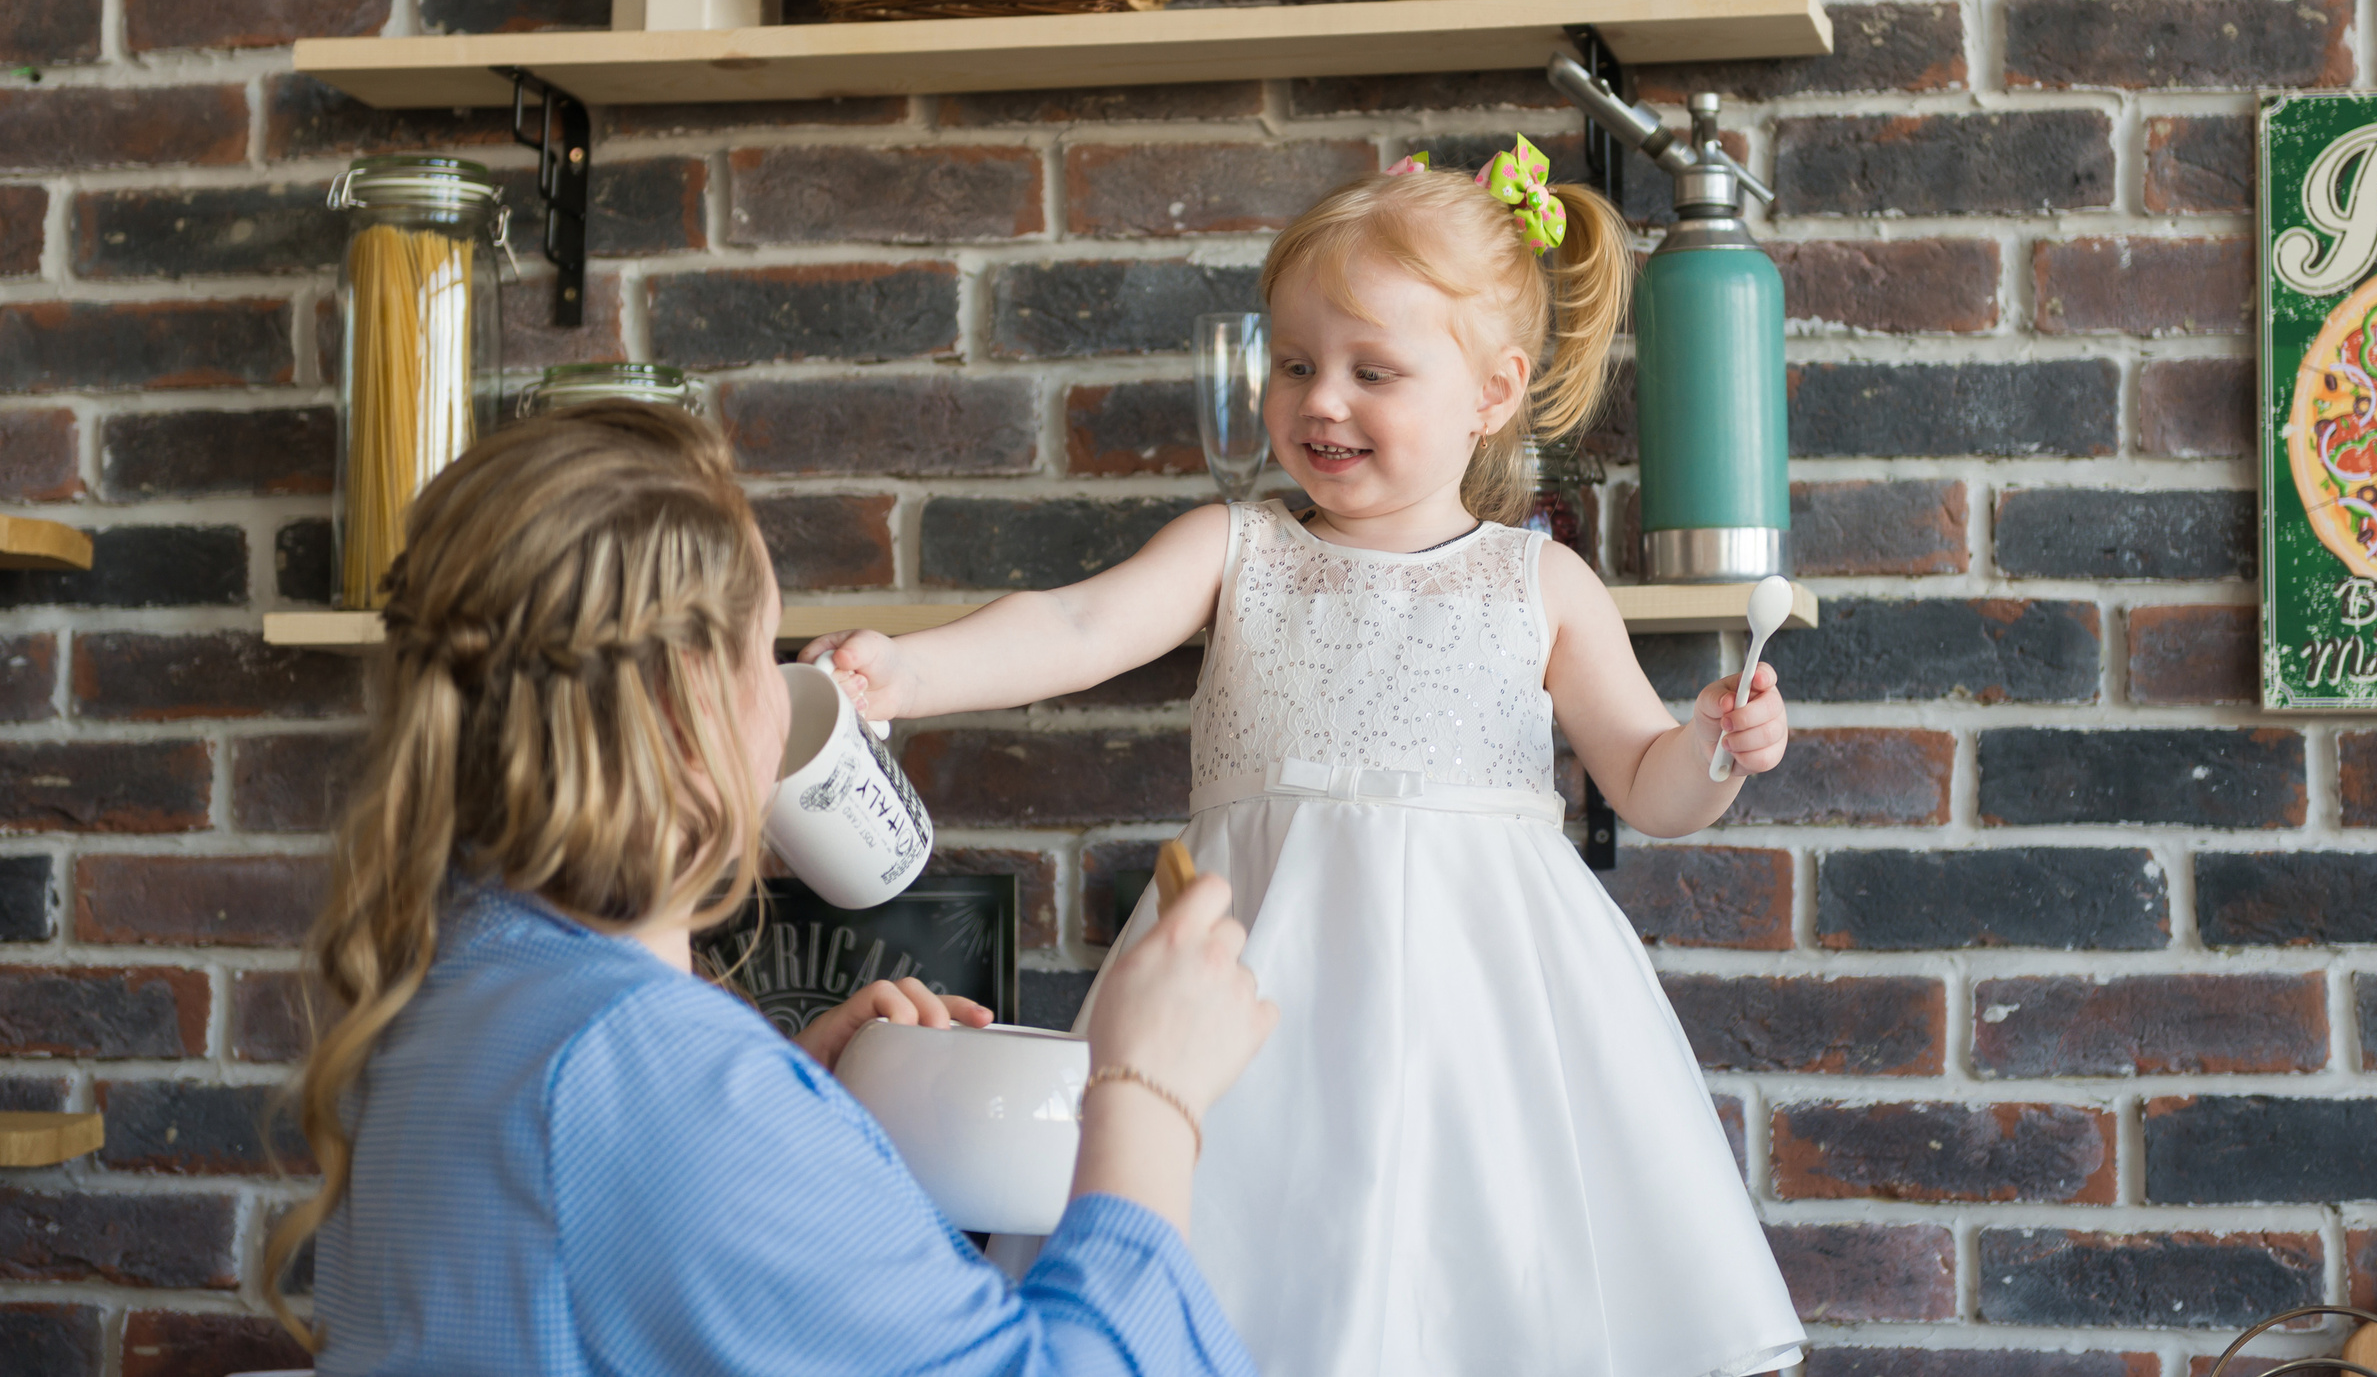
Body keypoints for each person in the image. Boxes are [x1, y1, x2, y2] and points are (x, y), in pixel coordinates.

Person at [807, 143, 1807, 1377]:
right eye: (1293, 363)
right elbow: (1071, 625)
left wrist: (1717, 744)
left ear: (1491, 390)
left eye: (1370, 370)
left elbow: (1649, 781)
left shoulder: (1540, 582)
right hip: (1251, 1009)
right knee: (1261, 1281)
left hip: (1483, 1025)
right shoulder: (1236, 549)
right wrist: (905, 672)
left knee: (1479, 1295)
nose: (1319, 400)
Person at [263, 402, 1275, 1376]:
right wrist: (1150, 1092)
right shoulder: (663, 1080)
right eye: (765, 650)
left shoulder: (447, 994)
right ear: (686, 703)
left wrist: (800, 1121)